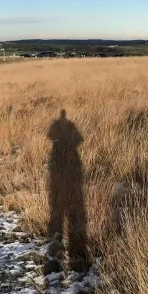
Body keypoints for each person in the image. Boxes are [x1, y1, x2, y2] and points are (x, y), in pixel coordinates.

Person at [47, 111, 92, 273]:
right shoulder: (69, 128)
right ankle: (69, 247)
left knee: (58, 212)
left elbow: (51, 136)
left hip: (62, 173)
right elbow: (79, 139)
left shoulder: (58, 131)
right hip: (66, 173)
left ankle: (59, 243)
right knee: (68, 211)